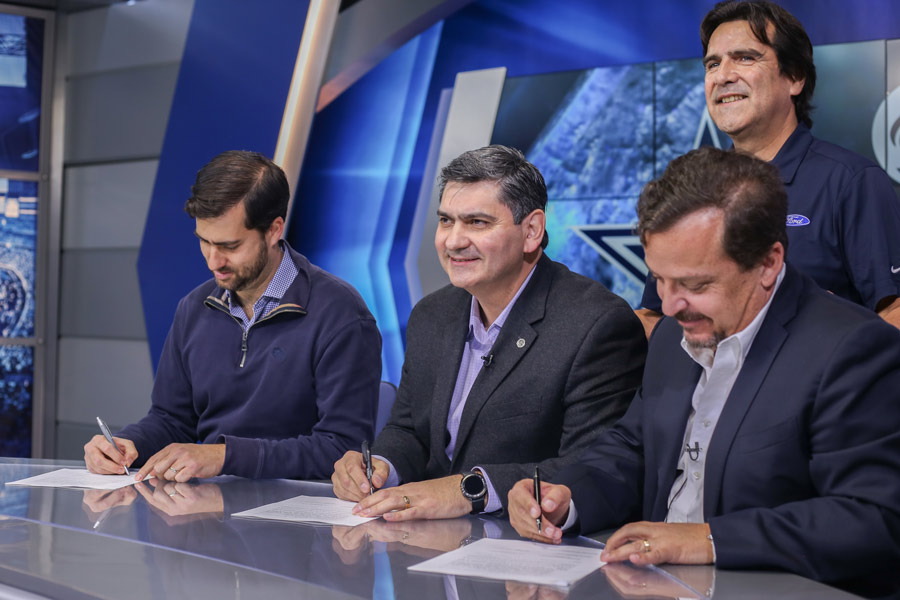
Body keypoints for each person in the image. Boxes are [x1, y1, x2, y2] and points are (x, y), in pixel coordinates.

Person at [508, 147, 900, 598]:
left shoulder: (852, 349)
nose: (671, 305)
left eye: (695, 285)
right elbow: (634, 450)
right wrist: (566, 498)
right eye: (659, 279)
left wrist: (710, 539)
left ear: (768, 263)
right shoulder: (675, 337)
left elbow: (873, 519)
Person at [332, 145, 646, 520]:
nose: (453, 241)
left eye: (477, 223)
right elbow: (410, 431)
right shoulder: (431, 314)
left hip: (530, 554)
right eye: (446, 221)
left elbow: (592, 466)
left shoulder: (596, 324)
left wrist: (470, 489)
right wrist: (380, 468)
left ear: (531, 231)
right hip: (425, 546)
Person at [84, 150, 382, 481]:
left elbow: (342, 450)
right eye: (204, 242)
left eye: (229, 246)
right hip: (206, 513)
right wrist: (130, 444)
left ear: (273, 230)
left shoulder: (340, 314)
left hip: (301, 520)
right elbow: (171, 419)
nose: (213, 261)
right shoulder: (193, 309)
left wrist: (225, 456)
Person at [637, 0, 900, 336]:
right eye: (712, 64)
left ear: (795, 77)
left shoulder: (850, 182)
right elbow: (653, 316)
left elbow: (895, 312)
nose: (723, 76)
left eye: (745, 58)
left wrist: (831, 341)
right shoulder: (688, 189)